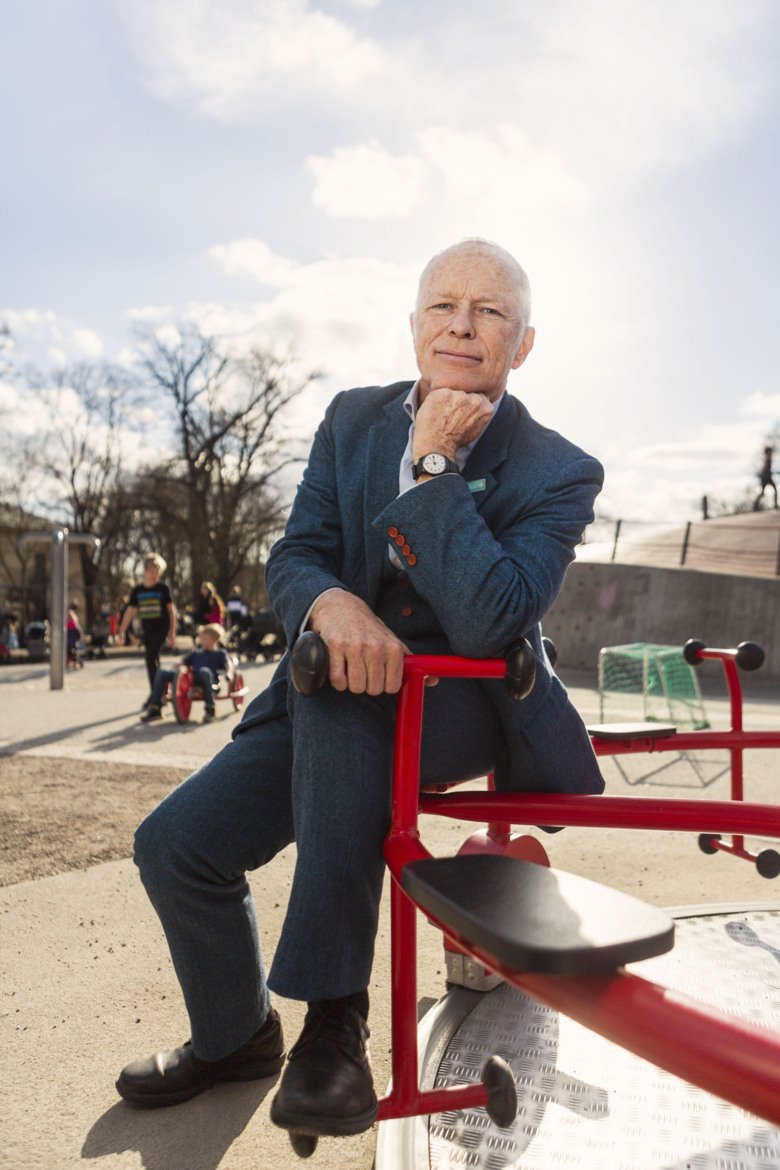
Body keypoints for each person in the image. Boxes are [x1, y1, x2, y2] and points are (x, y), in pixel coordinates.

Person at [115, 239, 605, 1139]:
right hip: (322, 687)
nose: (462, 324)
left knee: (346, 694)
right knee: (176, 846)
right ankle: (237, 1037)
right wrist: (332, 602)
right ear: (415, 325)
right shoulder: (350, 418)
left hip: (464, 703)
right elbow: (294, 552)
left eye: (490, 311)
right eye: (442, 306)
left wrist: (430, 469)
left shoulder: (558, 468)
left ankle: (335, 1023)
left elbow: (495, 616)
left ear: (523, 344)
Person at [141, 623, 233, 725]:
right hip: (191, 679)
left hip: (207, 680)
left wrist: (229, 673)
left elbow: (228, 664)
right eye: (201, 638)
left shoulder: (220, 653)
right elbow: (183, 662)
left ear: (214, 639)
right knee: (162, 673)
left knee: (204, 671)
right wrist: (178, 667)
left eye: (204, 638)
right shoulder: (196, 653)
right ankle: (156, 708)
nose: (201, 640)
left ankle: (210, 709)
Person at [118, 554, 177, 708]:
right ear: (145, 570)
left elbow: (171, 611)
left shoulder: (162, 589)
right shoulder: (138, 590)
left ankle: (155, 696)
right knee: (152, 661)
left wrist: (172, 632)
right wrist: (122, 631)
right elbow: (129, 612)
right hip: (147, 630)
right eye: (151, 570)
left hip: (161, 628)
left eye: (157, 571)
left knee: (151, 658)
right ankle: (157, 693)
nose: (154, 574)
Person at [754, 446, 778, 511]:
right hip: (766, 478)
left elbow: (767, 469)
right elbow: (766, 469)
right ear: (767, 452)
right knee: (766, 492)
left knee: (765, 492)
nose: (771, 453)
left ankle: (755, 506)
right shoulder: (767, 460)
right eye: (770, 451)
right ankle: (755, 506)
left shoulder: (768, 459)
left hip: (766, 477)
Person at [66, 601, 82, 669]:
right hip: (71, 632)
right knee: (73, 648)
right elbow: (75, 623)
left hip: (70, 632)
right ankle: (73, 663)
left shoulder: (70, 612)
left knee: (70, 648)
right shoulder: (71, 612)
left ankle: (69, 662)